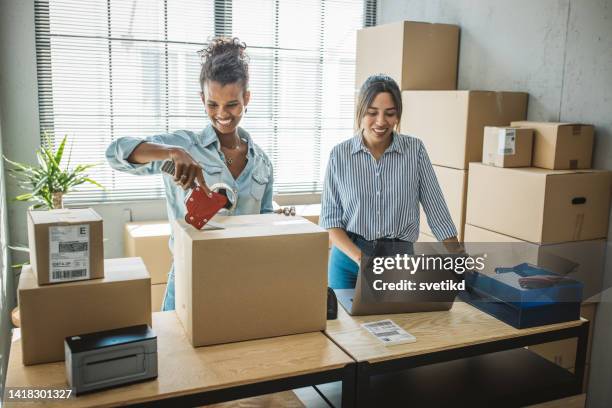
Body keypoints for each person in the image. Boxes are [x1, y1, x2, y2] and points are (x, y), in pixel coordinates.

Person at [106, 37, 277, 311]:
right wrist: (169, 152)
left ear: (247, 98)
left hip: (243, 282)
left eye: (232, 104)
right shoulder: (184, 146)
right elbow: (115, 153)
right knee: (175, 354)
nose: (222, 114)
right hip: (189, 278)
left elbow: (267, 222)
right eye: (212, 104)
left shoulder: (262, 164)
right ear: (202, 99)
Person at [320, 74, 460, 289]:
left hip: (398, 260)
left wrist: (459, 257)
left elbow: (437, 210)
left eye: (390, 114)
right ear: (360, 112)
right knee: (343, 322)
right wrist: (361, 260)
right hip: (348, 260)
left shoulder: (415, 150)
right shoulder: (339, 155)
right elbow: (331, 221)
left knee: (395, 322)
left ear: (398, 115)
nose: (381, 122)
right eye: (372, 113)